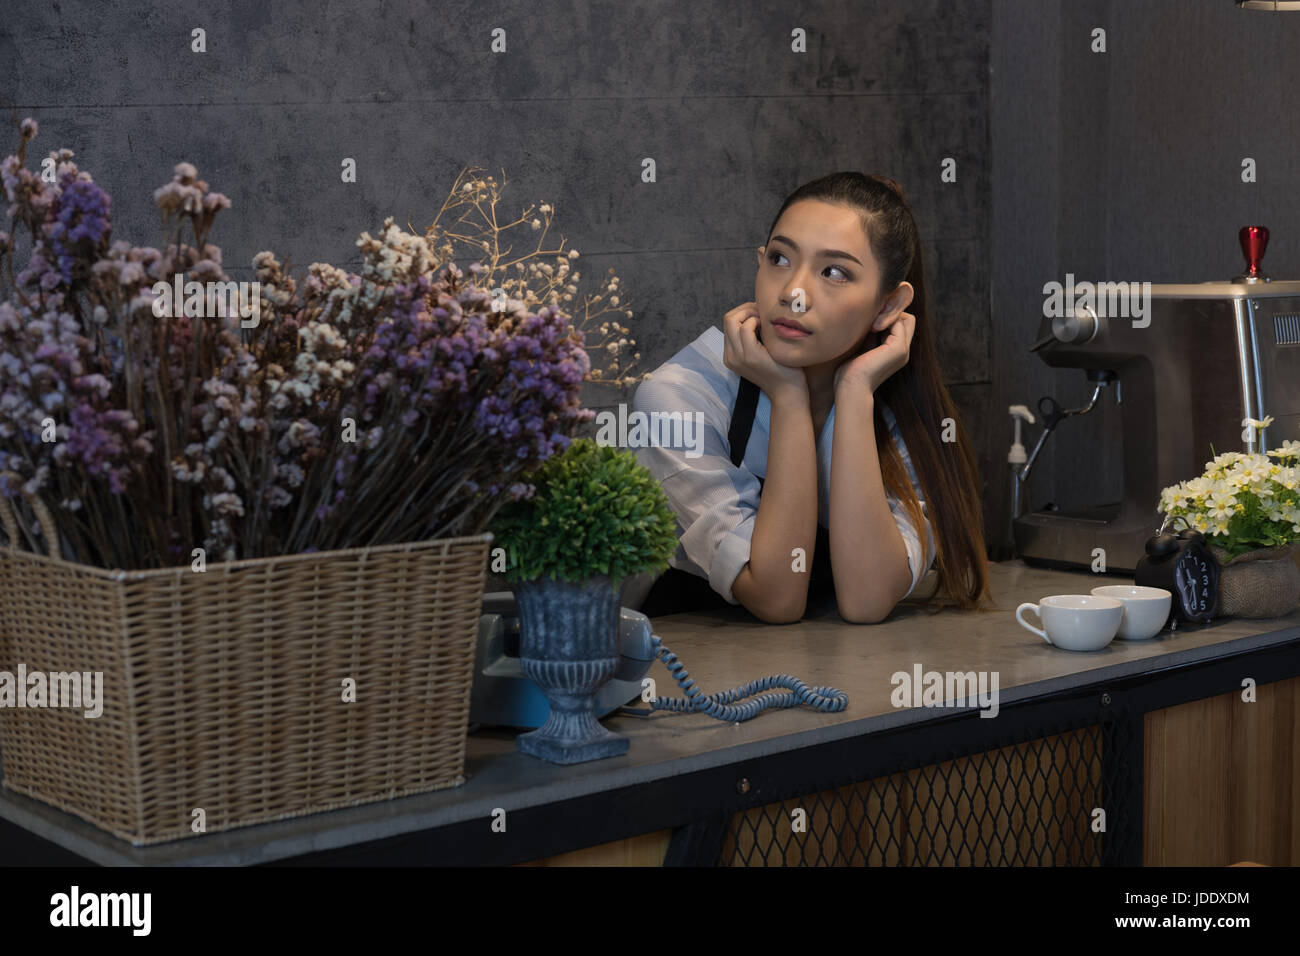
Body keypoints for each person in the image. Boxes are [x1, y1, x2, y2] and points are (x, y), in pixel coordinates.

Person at [632, 171, 991, 623]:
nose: (793, 294)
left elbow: (867, 599)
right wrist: (787, 397)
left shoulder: (906, 414)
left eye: (834, 272)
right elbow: (776, 596)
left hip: (846, 676)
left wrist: (856, 391)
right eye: (780, 259)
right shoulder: (677, 398)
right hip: (688, 671)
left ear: (888, 307)